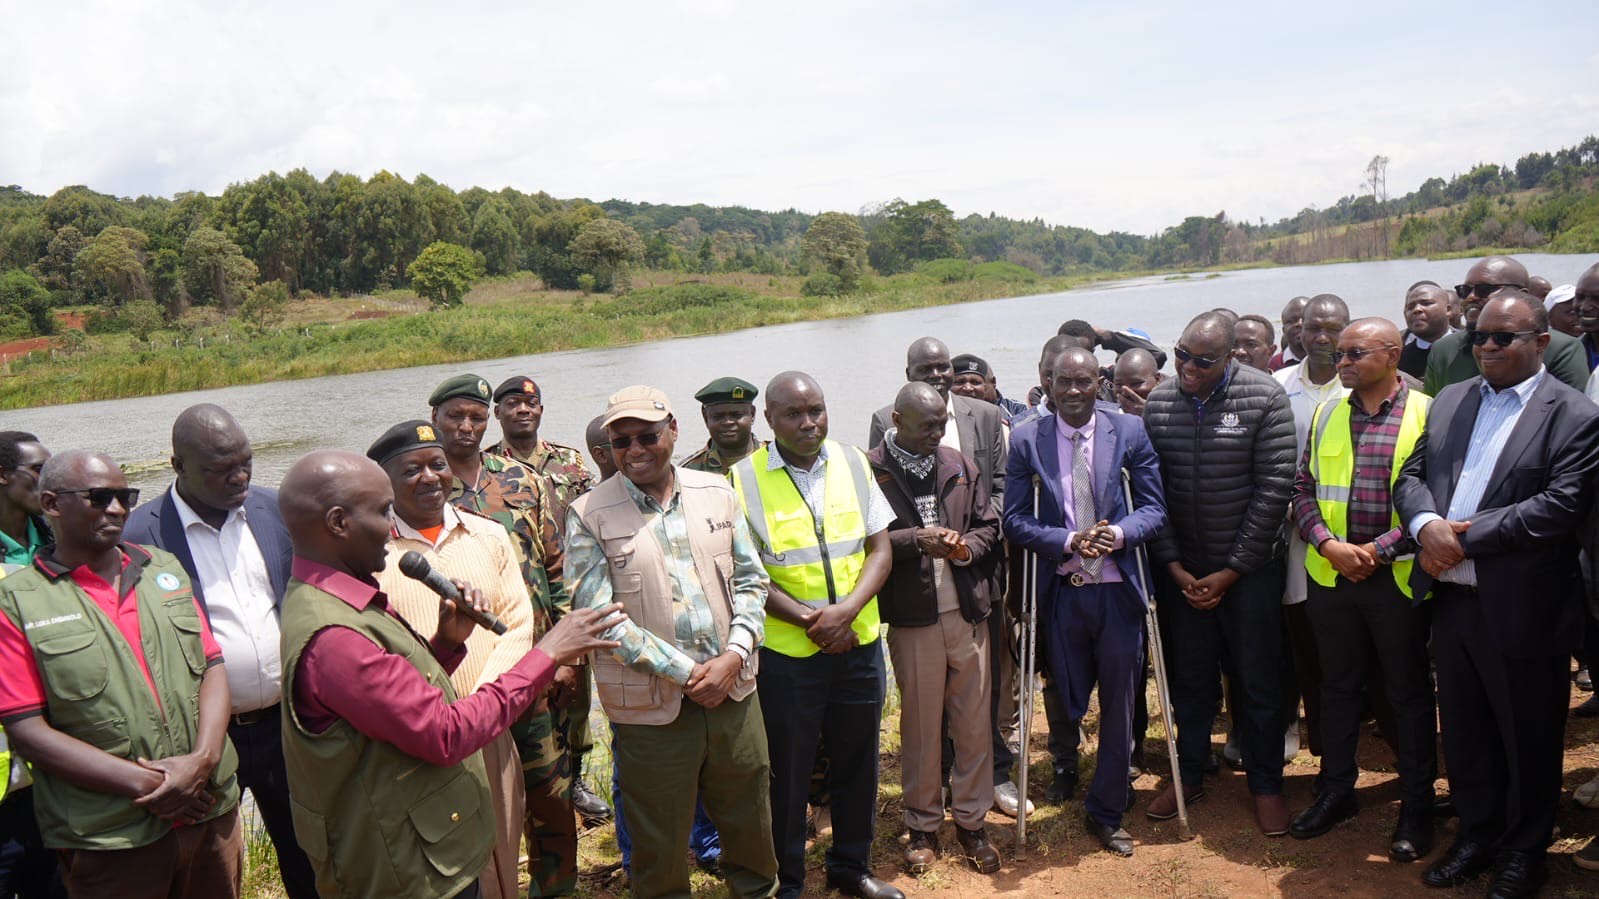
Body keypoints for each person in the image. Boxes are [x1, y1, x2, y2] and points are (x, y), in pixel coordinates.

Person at [275, 449, 621, 899]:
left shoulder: (334, 601)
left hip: (413, 844)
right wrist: (548, 653)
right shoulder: (336, 636)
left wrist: (447, 644)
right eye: (382, 512)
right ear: (339, 523)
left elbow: (392, 704)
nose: (391, 524)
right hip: (402, 869)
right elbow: (445, 735)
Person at [1394, 291, 1599, 897]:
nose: (1485, 346)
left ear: (1541, 343)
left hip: (1523, 608)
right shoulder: (1453, 400)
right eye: (1479, 335)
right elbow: (1410, 475)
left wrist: (1468, 537)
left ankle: (1524, 850)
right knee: (1464, 730)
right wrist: (1427, 527)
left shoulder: (1574, 415)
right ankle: (1477, 834)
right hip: (1452, 601)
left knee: (1528, 733)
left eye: (1502, 338)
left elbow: (1561, 506)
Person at [566, 385, 778, 899]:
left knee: (751, 822)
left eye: (647, 436)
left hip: (734, 692)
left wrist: (734, 655)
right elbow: (601, 620)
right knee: (658, 845)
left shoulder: (718, 493)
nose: (635, 450)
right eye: (622, 443)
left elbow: (752, 582)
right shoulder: (588, 513)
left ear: (673, 431)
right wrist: (688, 674)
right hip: (651, 709)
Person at [0, 451, 242, 899]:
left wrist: (204, 761)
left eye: (124, 497)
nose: (116, 509)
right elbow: (28, 729)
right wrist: (158, 785)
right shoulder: (16, 602)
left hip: (210, 813)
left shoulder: (162, 570)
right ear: (52, 504)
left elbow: (211, 667)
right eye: (99, 497)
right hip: (113, 835)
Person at [120, 404, 317, 899]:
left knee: (311, 861)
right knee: (211, 872)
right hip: (202, 740)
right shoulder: (136, 537)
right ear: (178, 467)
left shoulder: (276, 511)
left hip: (287, 727)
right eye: (220, 469)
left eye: (246, 461)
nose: (240, 476)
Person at [730, 372, 902, 899]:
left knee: (858, 761)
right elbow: (748, 572)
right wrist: (813, 622)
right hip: (788, 655)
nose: (809, 423)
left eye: (817, 410)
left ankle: (852, 867)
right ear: (769, 419)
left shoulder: (853, 461)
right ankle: (788, 881)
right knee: (787, 772)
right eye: (794, 414)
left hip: (859, 644)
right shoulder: (741, 479)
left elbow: (881, 549)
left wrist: (846, 613)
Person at [1286, 319, 1438, 864]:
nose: (1341, 361)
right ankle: (1337, 791)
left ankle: (1418, 804)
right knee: (1337, 688)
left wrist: (1378, 550)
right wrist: (1328, 544)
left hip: (1394, 579)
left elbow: (1433, 498)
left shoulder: (1426, 412)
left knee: (1407, 692)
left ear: (1392, 355)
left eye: (1355, 353)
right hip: (1332, 576)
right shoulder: (1330, 411)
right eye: (1339, 353)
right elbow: (1302, 488)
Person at [1005, 347, 1167, 857]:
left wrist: (1116, 534)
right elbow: (1014, 519)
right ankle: (1065, 766)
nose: (1073, 391)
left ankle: (1107, 807)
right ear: (1047, 383)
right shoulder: (1027, 438)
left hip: (1118, 590)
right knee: (1067, 694)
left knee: (1119, 701)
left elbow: (1154, 509)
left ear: (1099, 381)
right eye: (1062, 382)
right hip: (1064, 592)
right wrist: (1068, 541)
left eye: (1083, 381)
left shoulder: (1130, 432)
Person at [367, 422, 538, 899]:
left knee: (503, 839)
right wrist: (441, 711)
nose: (430, 478)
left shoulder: (487, 535)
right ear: (385, 482)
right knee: (446, 860)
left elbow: (517, 621)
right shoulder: (374, 552)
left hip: (488, 722)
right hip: (421, 733)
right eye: (412, 470)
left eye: (437, 464)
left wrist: (485, 699)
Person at [1143, 312, 1297, 837]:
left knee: (1256, 680)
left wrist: (1232, 570)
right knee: (1190, 681)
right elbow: (1149, 491)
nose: (1187, 366)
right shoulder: (1161, 402)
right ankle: (1188, 774)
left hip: (1249, 573)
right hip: (1182, 573)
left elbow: (1275, 490)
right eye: (1182, 353)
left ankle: (1266, 784)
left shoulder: (1265, 397)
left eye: (1202, 360)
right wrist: (1174, 566)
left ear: (1230, 357)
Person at [427, 374, 582, 894]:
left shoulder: (522, 480)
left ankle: (555, 890)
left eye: (475, 416)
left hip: (534, 667)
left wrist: (566, 657)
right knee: (471, 803)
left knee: (551, 795)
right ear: (435, 420)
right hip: (466, 676)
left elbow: (557, 569)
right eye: (455, 416)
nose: (466, 426)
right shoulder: (421, 486)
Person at [869, 382, 1003, 875]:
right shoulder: (871, 470)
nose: (938, 433)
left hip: (966, 611)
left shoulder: (958, 465)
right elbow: (865, 541)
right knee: (922, 726)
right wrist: (914, 540)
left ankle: (971, 821)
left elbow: (990, 525)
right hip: (913, 616)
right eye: (927, 426)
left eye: (942, 424)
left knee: (972, 722)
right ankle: (923, 824)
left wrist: (964, 547)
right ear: (897, 421)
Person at [481, 374, 610, 828]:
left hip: (571, 588)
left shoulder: (570, 462)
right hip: (518, 597)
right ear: (497, 413)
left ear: (540, 411)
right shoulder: (484, 470)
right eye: (511, 404)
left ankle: (574, 779)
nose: (522, 410)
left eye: (530, 404)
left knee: (576, 690)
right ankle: (519, 788)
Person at [1272, 294, 1353, 764]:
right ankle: (1296, 726)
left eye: (1333, 328)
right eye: (1313, 329)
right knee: (1296, 636)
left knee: (1340, 642)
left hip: (1350, 537)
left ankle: (1336, 738)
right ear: (1297, 332)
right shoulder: (1278, 386)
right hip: (1290, 536)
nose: (1323, 338)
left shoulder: (1362, 385)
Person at [1422, 256, 1589, 395]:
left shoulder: (1561, 349)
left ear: (1521, 294)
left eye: (1484, 289)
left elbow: (1571, 420)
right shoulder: (1443, 351)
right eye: (1465, 290)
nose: (1471, 297)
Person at [680, 376, 766, 474]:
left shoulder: (777, 460)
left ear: (752, 414)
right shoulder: (689, 472)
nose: (727, 422)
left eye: (736, 415)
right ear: (705, 418)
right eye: (718, 416)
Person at [0, 433, 50, 567]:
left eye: (52, 471)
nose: (52, 481)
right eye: (39, 469)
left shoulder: (58, 535)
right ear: (3, 475)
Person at [950, 353, 1030, 422]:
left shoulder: (1016, 410)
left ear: (993, 382)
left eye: (975, 382)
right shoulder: (947, 414)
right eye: (959, 382)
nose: (968, 388)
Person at [1401, 282, 1453, 379]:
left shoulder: (1470, 347)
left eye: (1426, 303)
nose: (1417, 309)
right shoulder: (1399, 360)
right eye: (1410, 307)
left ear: (1448, 310)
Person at [1111, 349, 1163, 417]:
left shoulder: (1174, 411)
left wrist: (1148, 416)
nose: (1125, 392)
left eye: (1135, 383)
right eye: (1119, 384)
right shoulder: (1107, 418)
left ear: (1157, 379)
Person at [1269, 296, 1309, 371]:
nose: (1299, 324)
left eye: (1305, 319)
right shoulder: (1273, 365)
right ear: (1284, 330)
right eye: (1292, 321)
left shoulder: (1333, 361)